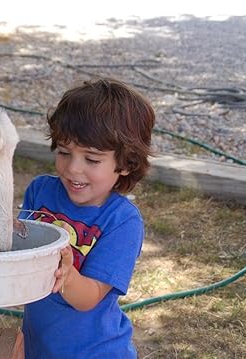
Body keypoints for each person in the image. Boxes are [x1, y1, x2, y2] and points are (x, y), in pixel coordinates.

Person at [18, 77, 155, 358]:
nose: (72, 169)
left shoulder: (122, 221)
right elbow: (19, 253)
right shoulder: (40, 191)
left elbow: (89, 297)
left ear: (127, 163)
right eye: (64, 152)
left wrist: (66, 275)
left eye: (92, 159)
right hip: (39, 347)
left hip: (96, 352)